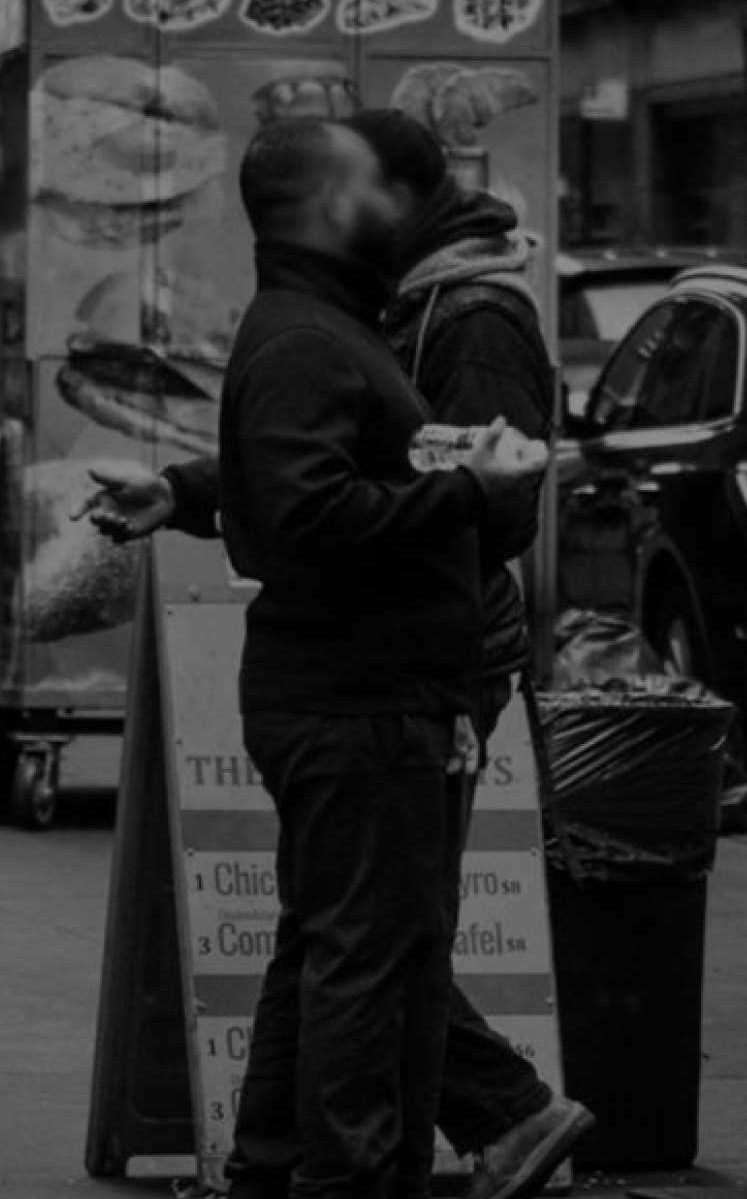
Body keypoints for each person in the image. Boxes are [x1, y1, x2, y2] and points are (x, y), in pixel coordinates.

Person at [95, 112, 590, 1199]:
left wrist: (188, 489)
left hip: (380, 684)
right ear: (335, 206)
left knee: (342, 943)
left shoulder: (353, 323)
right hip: (364, 696)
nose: (394, 208)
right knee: (373, 959)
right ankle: (376, 1168)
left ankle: (276, 1165)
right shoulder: (322, 334)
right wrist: (475, 490)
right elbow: (319, 503)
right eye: (373, 189)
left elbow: (328, 469)